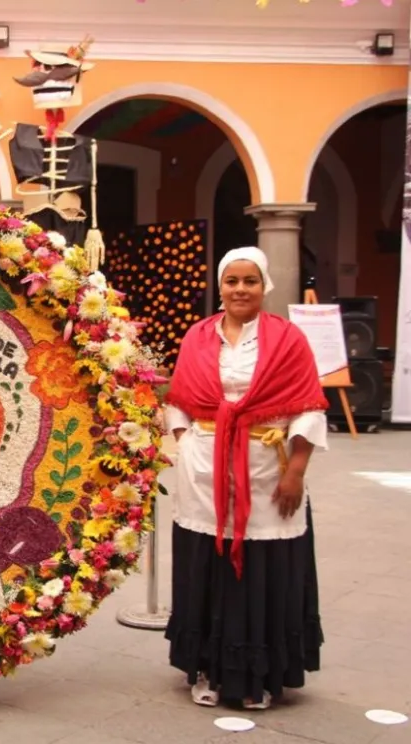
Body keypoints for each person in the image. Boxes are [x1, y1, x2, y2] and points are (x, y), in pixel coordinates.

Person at [163, 246, 329, 710]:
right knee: (207, 567)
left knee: (263, 571)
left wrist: (295, 472)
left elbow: (307, 408)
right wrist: (186, 442)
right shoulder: (197, 337)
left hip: (265, 470)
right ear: (220, 286)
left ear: (264, 286)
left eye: (249, 281)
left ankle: (260, 675)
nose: (240, 289)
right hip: (204, 473)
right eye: (232, 280)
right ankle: (207, 670)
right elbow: (178, 399)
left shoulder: (287, 340)